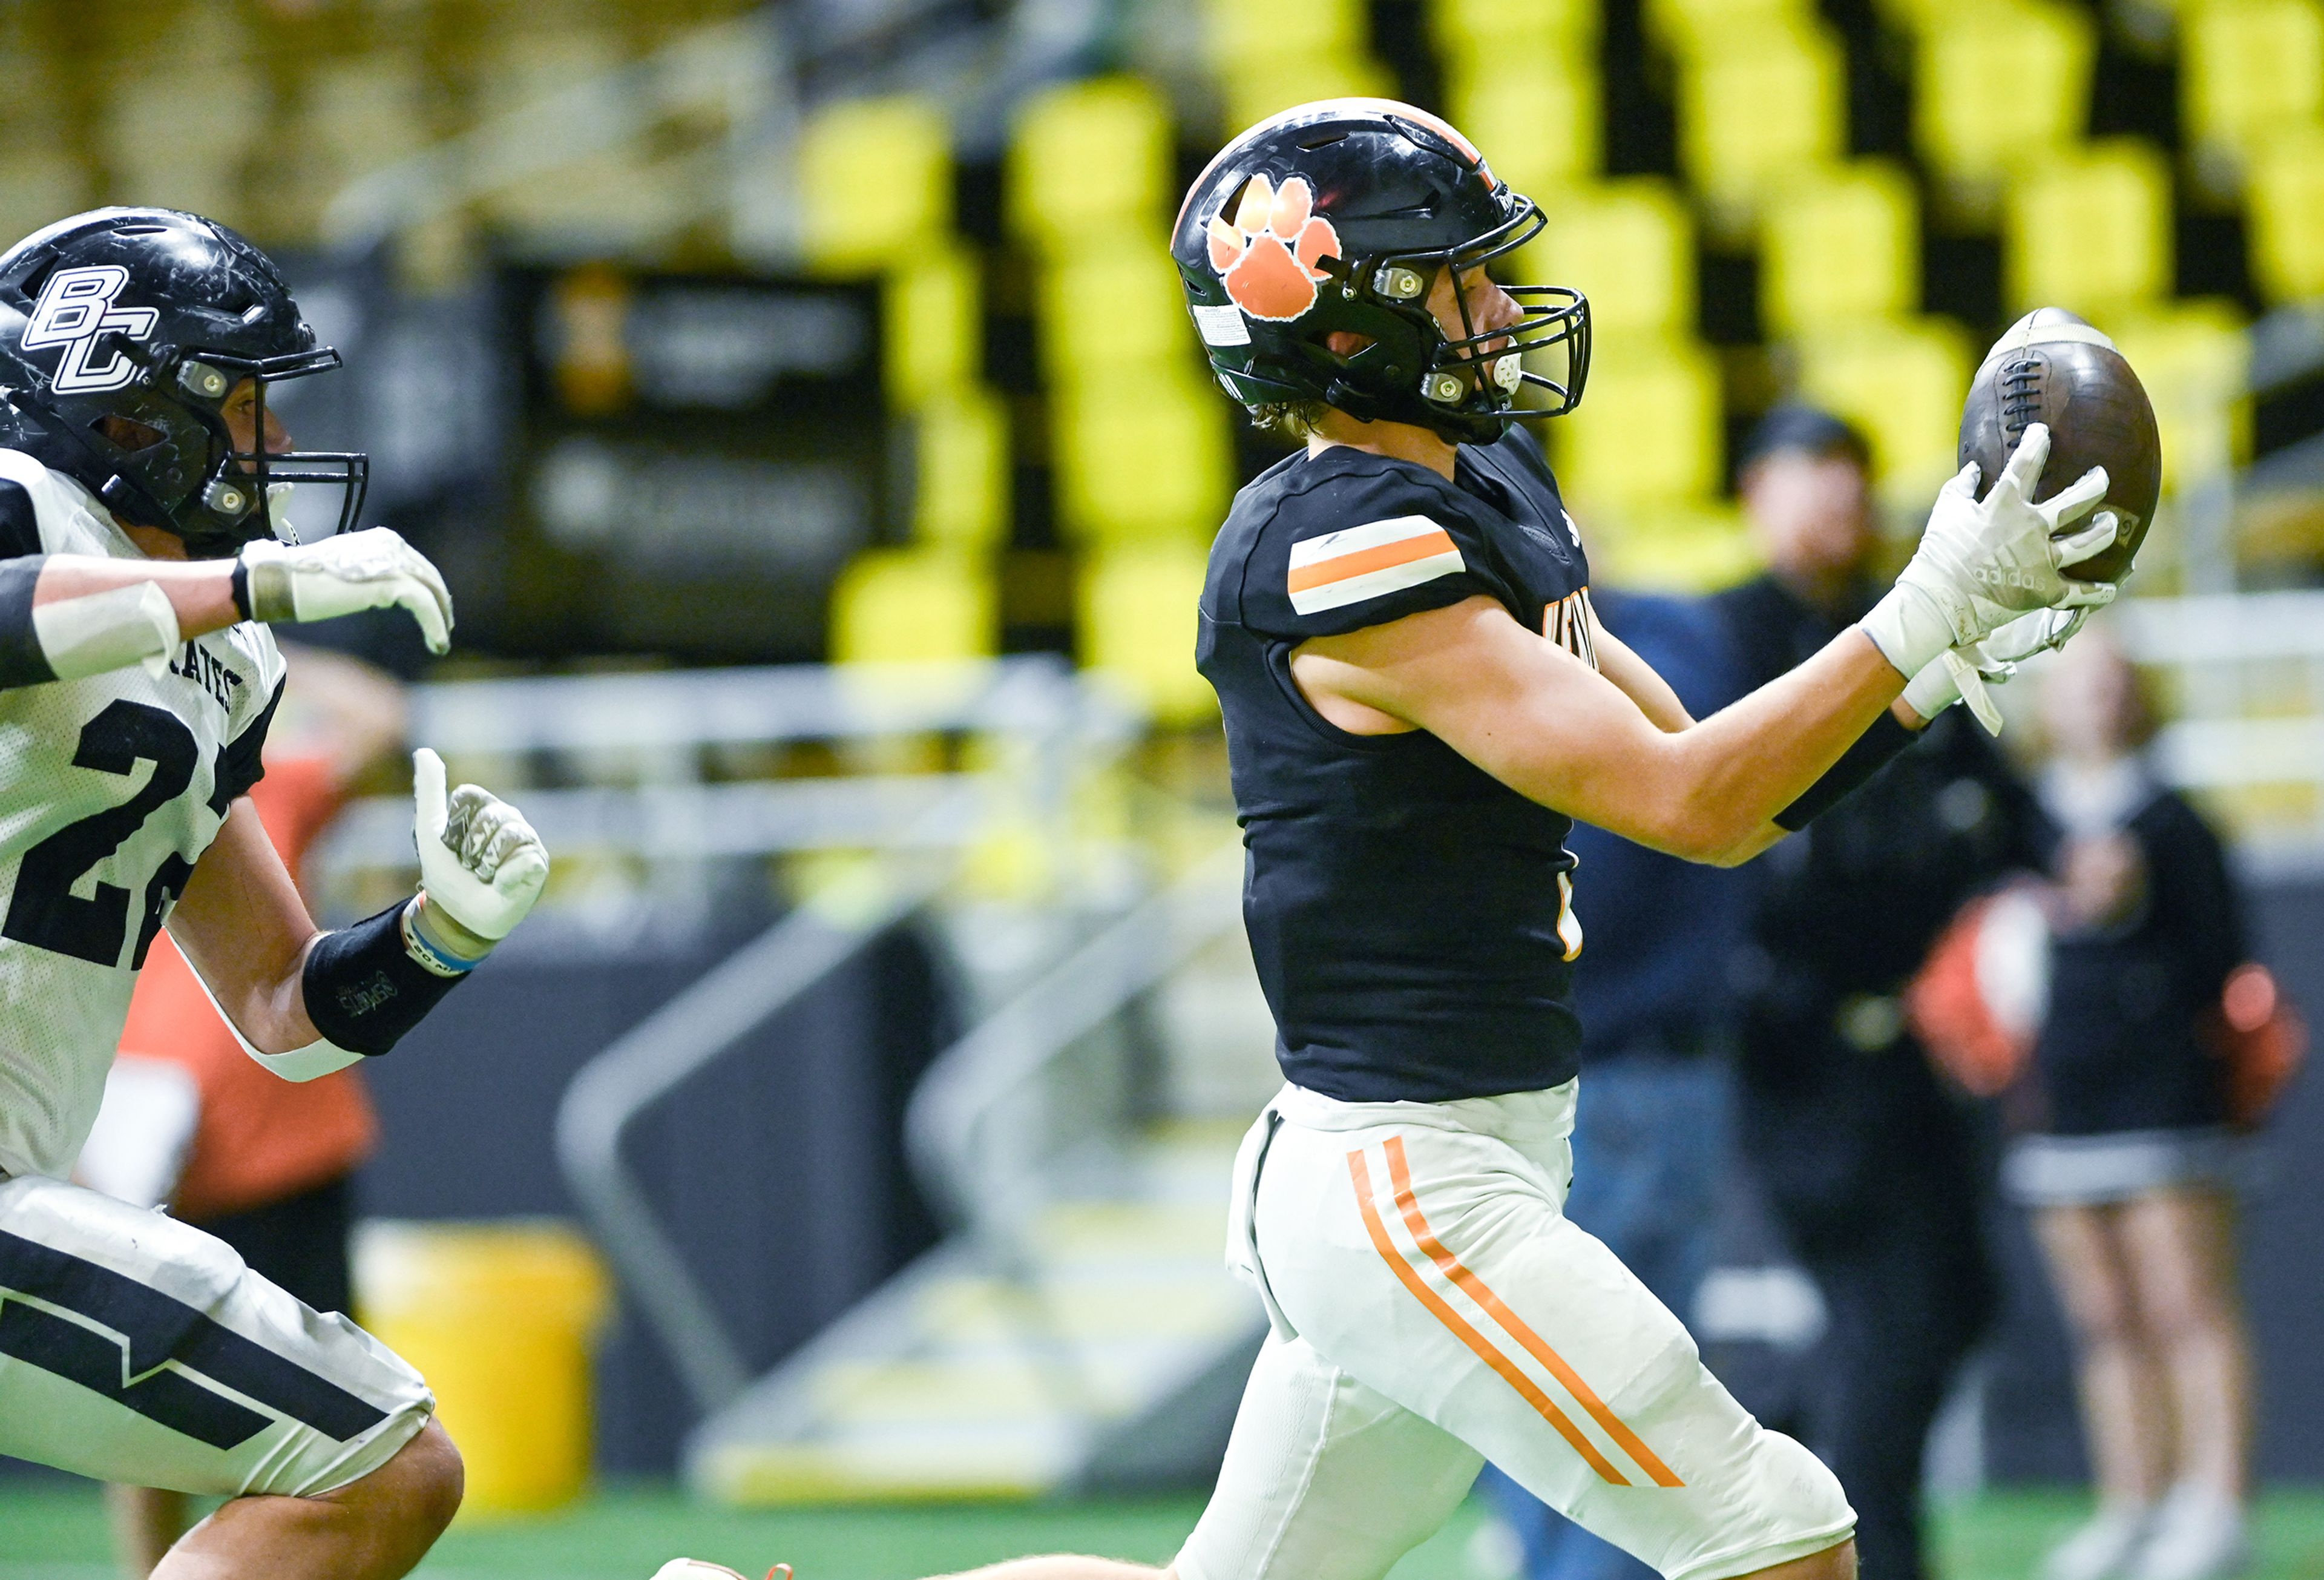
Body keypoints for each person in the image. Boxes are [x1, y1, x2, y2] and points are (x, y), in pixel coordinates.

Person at [660, 99, 2122, 1580]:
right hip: (1407, 1187)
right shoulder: (1338, 544)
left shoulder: (1477, 482)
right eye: (1456, 279)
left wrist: (1947, 655)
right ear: (1349, 321)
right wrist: (1928, 607)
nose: (1497, 307)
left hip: (1451, 1159)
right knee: (1778, 1532)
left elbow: (1691, 755)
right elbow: (1691, 805)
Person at [0, 206, 550, 1580]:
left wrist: (442, 937)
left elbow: (279, 1008)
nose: (279, 447)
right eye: (243, 406)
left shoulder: (225, 664)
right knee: (375, 1456)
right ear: (127, 410)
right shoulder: (23, 502)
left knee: (377, 1459)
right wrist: (238, 577)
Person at [1710, 407, 2056, 1580]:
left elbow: (2000, 802)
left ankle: (1814, 1471)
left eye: (1853, 479)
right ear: (1755, 491)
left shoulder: (1907, 618)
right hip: (1803, 1047)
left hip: (1917, 1048)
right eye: (1811, 476)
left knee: (1950, 1301)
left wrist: (2050, 874)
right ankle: (1872, 1553)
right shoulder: (1729, 636)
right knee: (1890, 1320)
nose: (1839, 502)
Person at [76, 644, 410, 1577]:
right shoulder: (60, 807)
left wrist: (236, 639)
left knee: (330, 1412)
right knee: (146, 1415)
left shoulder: (245, 797)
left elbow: (379, 715)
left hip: (288, 1148)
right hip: (150, 1153)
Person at [1472, 588, 1752, 1580]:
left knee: (1593, 1372)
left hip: (1600, 1073)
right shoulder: (1675, 637)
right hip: (1631, 1072)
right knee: (1622, 1371)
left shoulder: (1514, 655)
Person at [2006, 628, 2255, 1580]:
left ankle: (2216, 1499)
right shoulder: (2024, 819)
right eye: (2077, 684)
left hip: (2162, 1098)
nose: (2096, 701)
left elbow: (2222, 960)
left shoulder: (2175, 821)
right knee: (2105, 1316)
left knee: (2187, 1303)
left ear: (2139, 698)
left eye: (2113, 684)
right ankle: (2132, 1499)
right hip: (2061, 1096)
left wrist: (2130, 905)